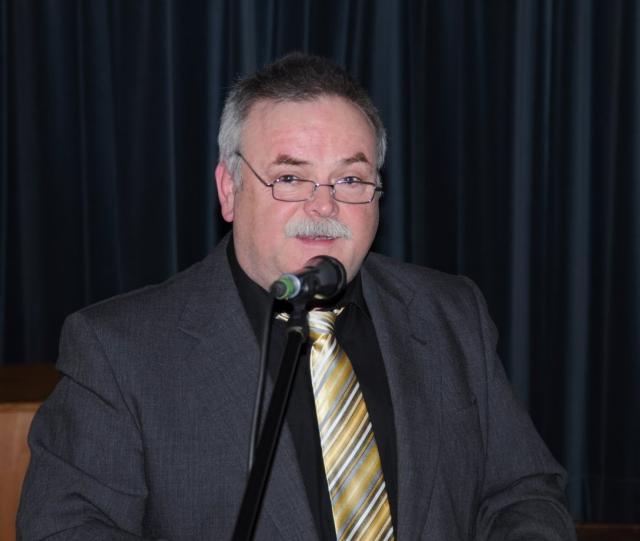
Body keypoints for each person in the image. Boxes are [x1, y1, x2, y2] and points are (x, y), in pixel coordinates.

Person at [17, 53, 576, 540]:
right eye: (290, 178)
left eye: (350, 180)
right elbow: (66, 529)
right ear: (229, 189)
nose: (324, 205)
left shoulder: (450, 312)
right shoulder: (119, 349)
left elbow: (522, 493)